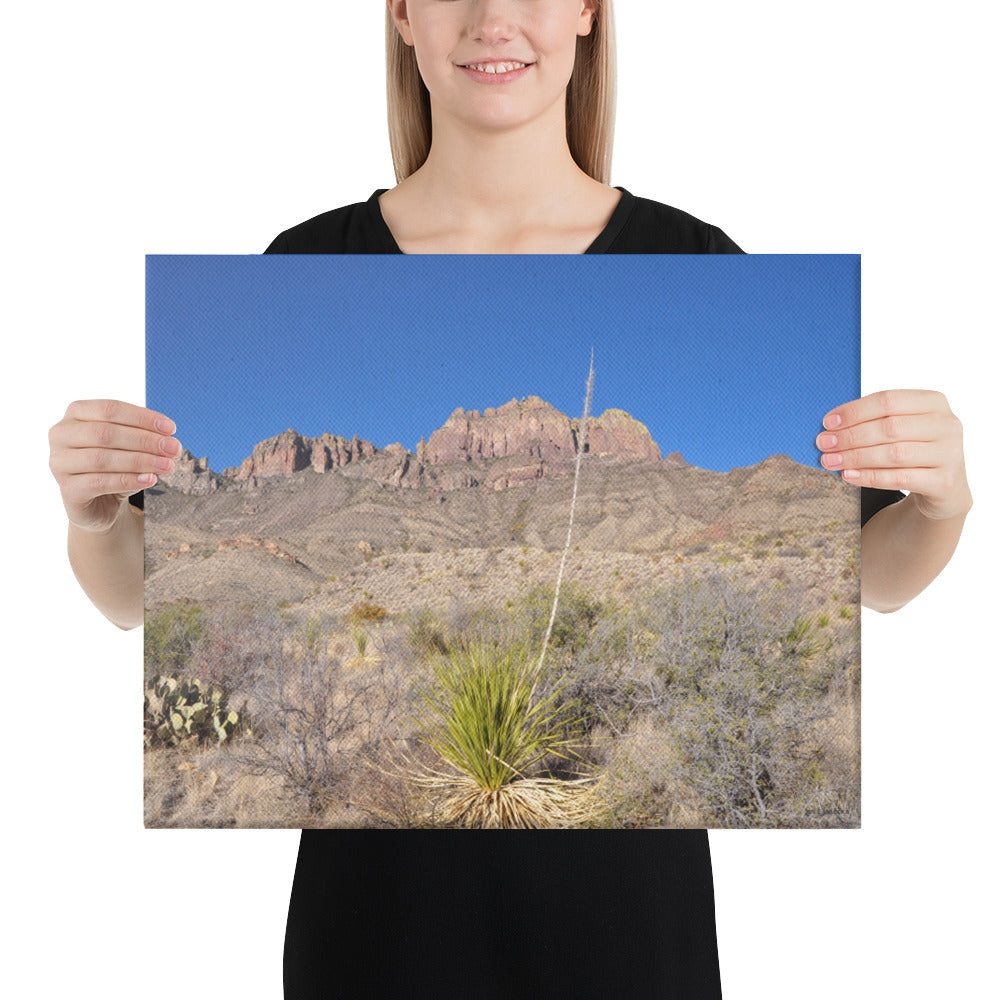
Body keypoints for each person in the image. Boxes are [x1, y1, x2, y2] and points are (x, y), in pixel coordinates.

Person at [47, 1, 972, 997]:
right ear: (402, 15)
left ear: (586, 13)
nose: (495, 17)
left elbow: (870, 580)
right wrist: (92, 518)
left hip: (630, 946)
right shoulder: (306, 254)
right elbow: (138, 600)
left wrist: (941, 505)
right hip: (370, 944)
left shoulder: (694, 255)